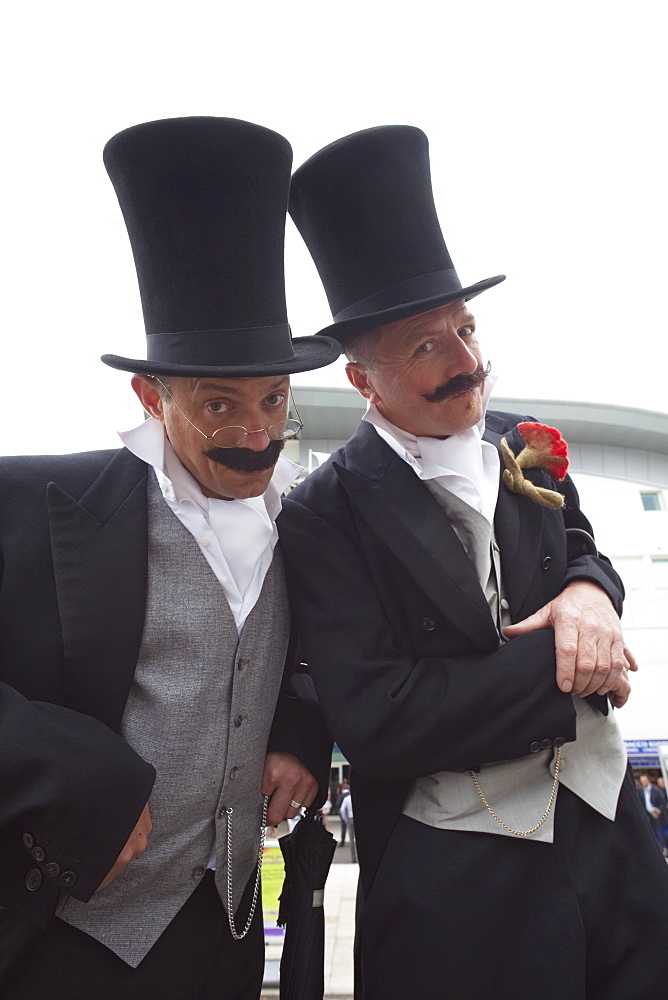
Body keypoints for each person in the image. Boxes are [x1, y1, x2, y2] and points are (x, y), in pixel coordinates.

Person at [279, 125, 668, 999]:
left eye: (466, 327)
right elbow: (377, 719)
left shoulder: (521, 441)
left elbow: (581, 548)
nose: (468, 363)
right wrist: (565, 663)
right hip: (461, 879)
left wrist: (587, 594)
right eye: (425, 346)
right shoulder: (320, 514)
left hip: (611, 836)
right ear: (361, 380)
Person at [0, 117, 340, 999]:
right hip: (68, 930)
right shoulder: (36, 502)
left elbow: (306, 655)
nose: (256, 433)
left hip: (226, 925)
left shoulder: (305, 522)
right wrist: (64, 775)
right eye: (220, 406)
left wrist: (301, 733)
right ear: (152, 395)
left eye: (273, 399)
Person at [638, 775, 667, 854]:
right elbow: (640, 803)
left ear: (648, 780)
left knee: (660, 831)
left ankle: (663, 848)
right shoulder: (640, 791)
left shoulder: (656, 790)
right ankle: (654, 850)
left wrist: (659, 810)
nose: (643, 782)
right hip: (647, 815)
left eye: (644, 780)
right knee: (650, 832)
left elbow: (662, 802)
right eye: (642, 781)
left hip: (656, 813)